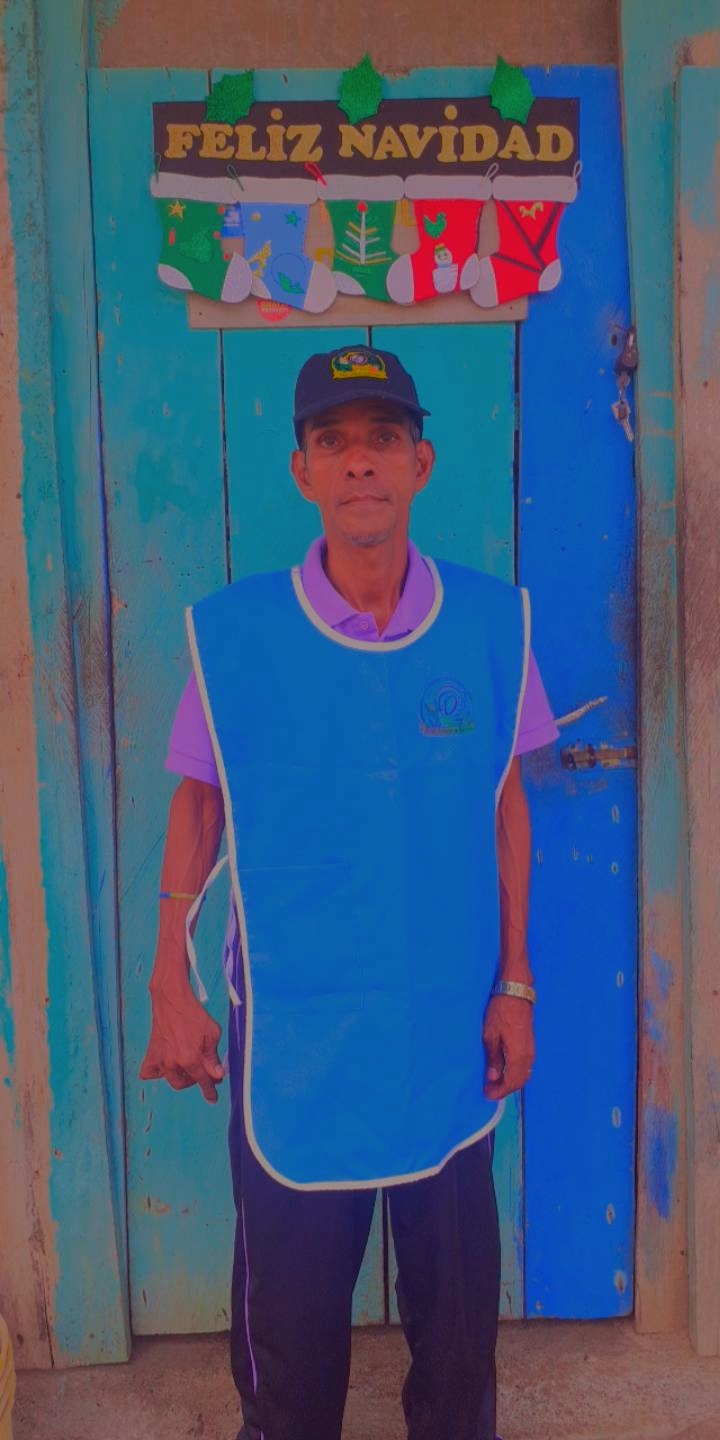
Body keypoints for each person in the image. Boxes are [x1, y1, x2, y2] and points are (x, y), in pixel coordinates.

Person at [140, 345, 559, 1440]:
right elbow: (200, 804)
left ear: (422, 463)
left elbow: (506, 803)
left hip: (445, 1033)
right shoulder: (237, 637)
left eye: (382, 440)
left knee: (458, 1332)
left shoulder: (488, 625)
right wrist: (169, 983)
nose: (359, 462)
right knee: (290, 1338)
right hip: (298, 1034)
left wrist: (516, 982)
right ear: (302, 471)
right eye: (334, 442)